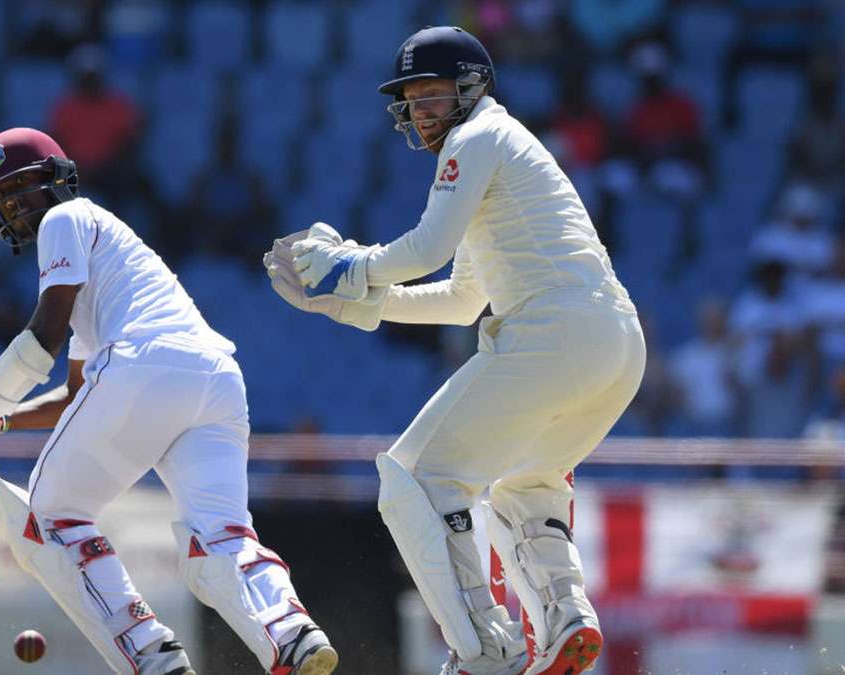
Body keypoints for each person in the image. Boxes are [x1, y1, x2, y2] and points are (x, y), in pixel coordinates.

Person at [264, 27, 644, 675]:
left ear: (473, 89)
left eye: (435, 95)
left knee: (413, 478)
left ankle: (485, 650)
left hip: (552, 338)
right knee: (523, 483)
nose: (423, 112)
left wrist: (351, 267)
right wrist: (356, 301)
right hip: (615, 347)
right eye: (413, 100)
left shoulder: (476, 139)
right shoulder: (500, 148)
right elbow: (464, 298)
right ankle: (564, 617)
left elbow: (424, 249)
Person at [0, 128, 337, 675]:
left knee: (50, 519)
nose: (14, 207)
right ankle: (291, 631)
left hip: (145, 367)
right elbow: (76, 395)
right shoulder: (103, 262)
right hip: (213, 378)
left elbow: (44, 337)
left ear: (57, 181)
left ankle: (151, 654)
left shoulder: (65, 220)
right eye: (0, 200)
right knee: (220, 534)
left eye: (22, 191)